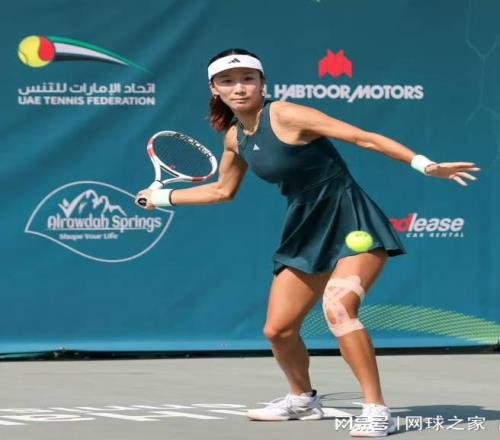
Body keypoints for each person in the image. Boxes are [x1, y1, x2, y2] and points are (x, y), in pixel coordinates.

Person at [135, 48, 480, 437]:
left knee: (338, 308)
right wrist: (162, 197)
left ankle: (375, 409)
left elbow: (362, 137)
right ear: (215, 89)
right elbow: (222, 191)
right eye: (228, 81)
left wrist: (425, 164)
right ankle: (302, 400)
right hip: (305, 229)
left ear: (263, 83)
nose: (239, 88)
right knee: (278, 330)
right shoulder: (235, 137)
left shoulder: (286, 114)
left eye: (248, 79)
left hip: (351, 220)